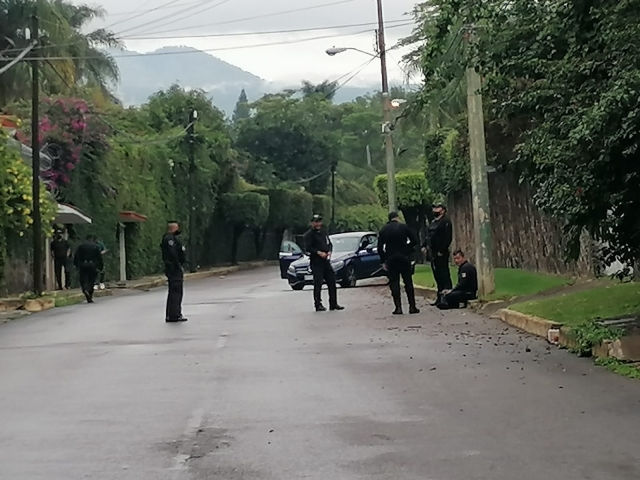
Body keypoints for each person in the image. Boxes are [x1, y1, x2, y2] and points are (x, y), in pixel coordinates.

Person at [379, 211, 420, 315]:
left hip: (391, 258)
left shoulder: (384, 230)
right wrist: (407, 248)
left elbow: (380, 248)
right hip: (403, 257)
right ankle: (412, 306)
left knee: (394, 282)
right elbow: (415, 240)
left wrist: (384, 260)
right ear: (397, 218)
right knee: (408, 282)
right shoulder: (403, 227)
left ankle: (398, 308)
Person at [303, 214, 344, 312]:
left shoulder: (324, 232)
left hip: (326, 261)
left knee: (332, 281)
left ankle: (333, 303)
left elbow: (329, 243)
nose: (318, 224)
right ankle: (318, 304)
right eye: (315, 222)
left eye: (319, 221)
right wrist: (318, 252)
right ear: (312, 223)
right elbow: (308, 248)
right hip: (316, 262)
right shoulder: (309, 235)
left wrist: (329, 251)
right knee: (318, 283)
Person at [423, 203, 453, 305]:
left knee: (444, 274)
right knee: (437, 275)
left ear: (443, 210)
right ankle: (440, 297)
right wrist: (424, 246)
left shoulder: (445, 222)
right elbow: (429, 236)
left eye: (437, 208)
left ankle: (448, 298)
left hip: (441, 252)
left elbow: (448, 238)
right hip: (432, 252)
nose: (435, 210)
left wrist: (442, 250)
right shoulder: (433, 222)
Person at [161, 221, 188, 323]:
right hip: (173, 269)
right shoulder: (169, 239)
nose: (178, 230)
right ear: (172, 228)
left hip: (173, 268)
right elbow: (172, 253)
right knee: (176, 292)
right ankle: (174, 314)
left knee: (174, 292)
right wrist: (178, 265)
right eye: (177, 228)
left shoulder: (171, 238)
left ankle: (172, 314)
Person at [73, 235, 103, 304]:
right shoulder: (95, 247)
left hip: (83, 264)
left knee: (83, 279)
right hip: (92, 265)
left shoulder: (81, 246)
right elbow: (99, 257)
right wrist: (101, 266)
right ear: (92, 239)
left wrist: (76, 265)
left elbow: (76, 256)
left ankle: (85, 289)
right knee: (92, 280)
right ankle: (90, 292)